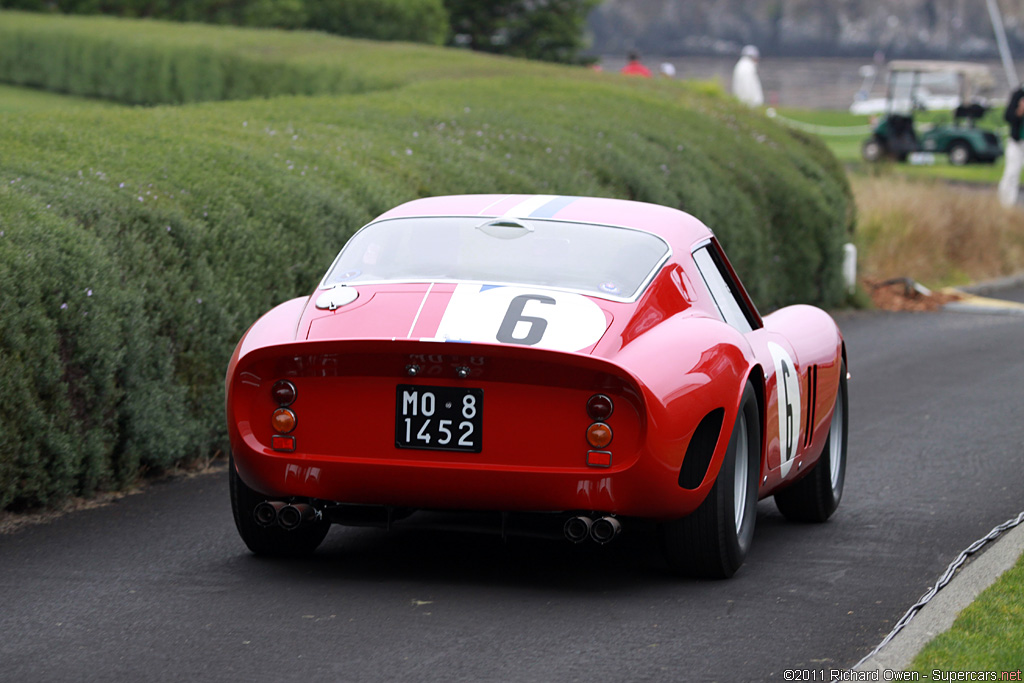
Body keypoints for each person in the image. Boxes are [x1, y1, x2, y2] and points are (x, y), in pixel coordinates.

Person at [998, 86, 1024, 207]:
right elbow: (1007, 116)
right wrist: (1019, 111)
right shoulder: (1018, 94)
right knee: (1012, 172)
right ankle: (1006, 205)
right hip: (1017, 142)